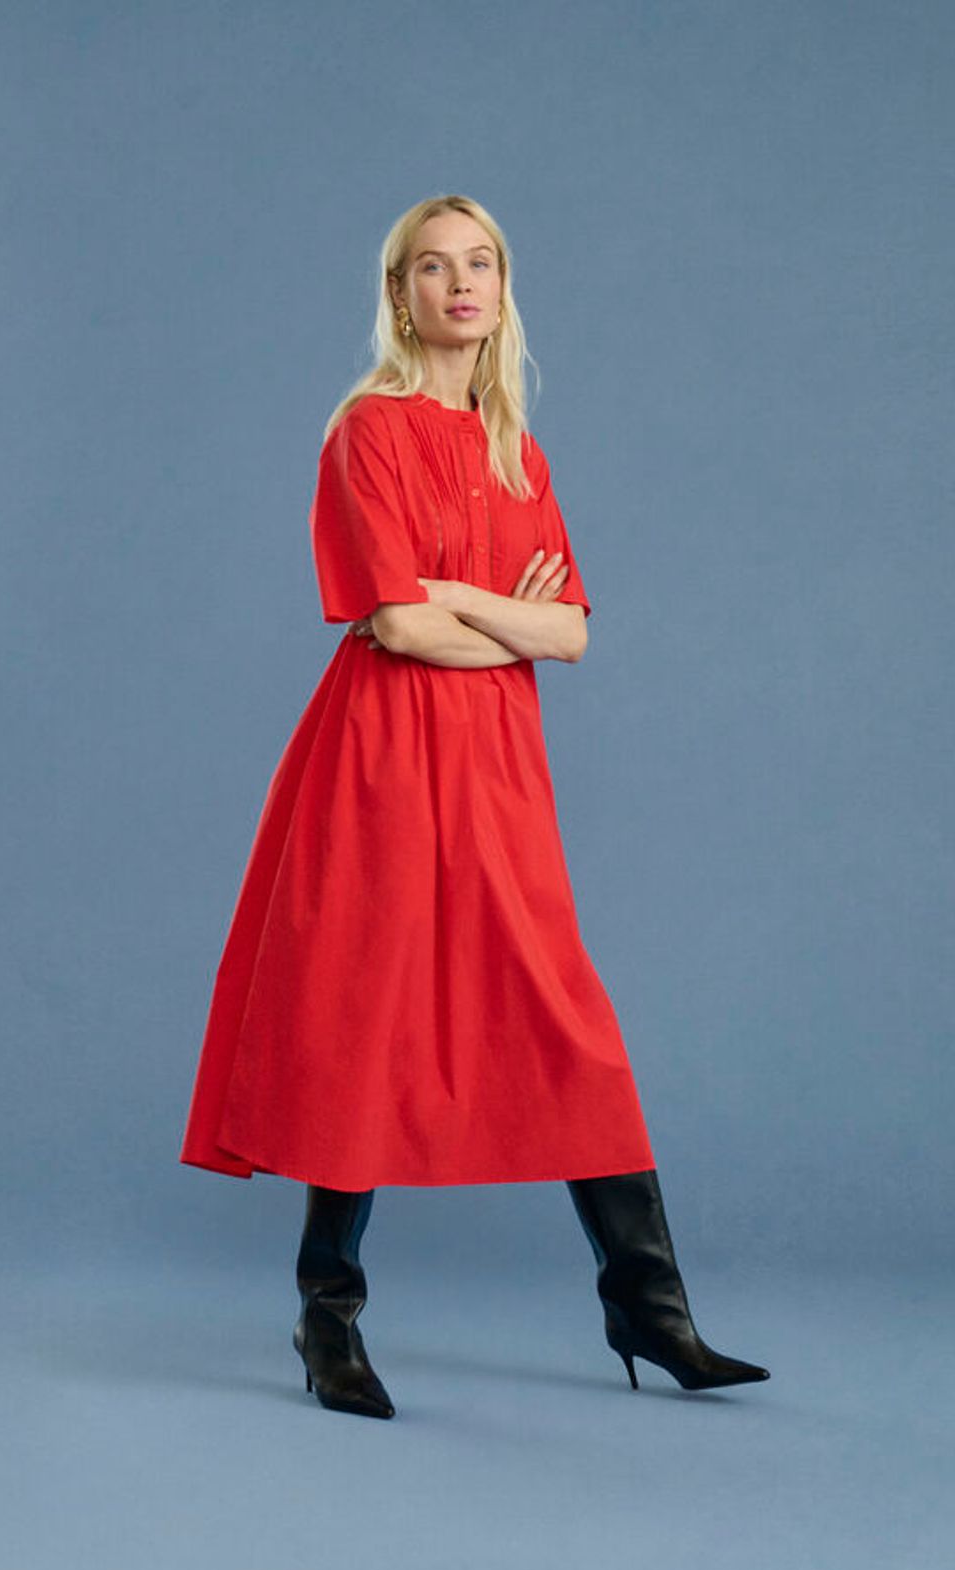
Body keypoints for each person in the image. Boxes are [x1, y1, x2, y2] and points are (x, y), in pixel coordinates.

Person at [180, 193, 769, 1419]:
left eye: (482, 262)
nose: (461, 283)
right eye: (434, 266)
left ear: (502, 290)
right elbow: (396, 629)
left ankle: (648, 1308)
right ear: (400, 294)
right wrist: (495, 615)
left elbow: (572, 633)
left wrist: (459, 595)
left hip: (498, 768)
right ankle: (328, 1316)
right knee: (366, 1014)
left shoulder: (518, 454)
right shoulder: (368, 431)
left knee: (565, 1015)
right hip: (382, 757)